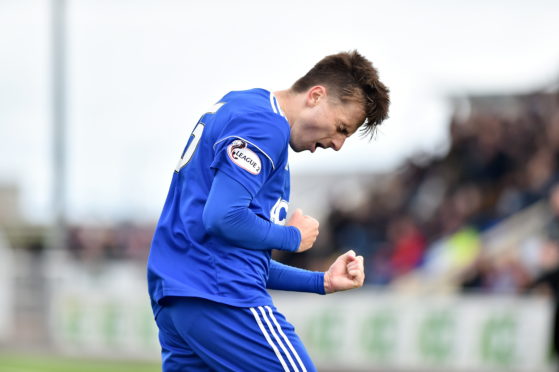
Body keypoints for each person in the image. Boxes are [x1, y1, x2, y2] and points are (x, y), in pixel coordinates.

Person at [147, 50, 390, 371]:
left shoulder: (244, 108)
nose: (338, 144)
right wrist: (292, 236)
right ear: (316, 96)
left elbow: (236, 254)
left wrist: (321, 282)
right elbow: (222, 217)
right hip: (222, 298)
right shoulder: (265, 125)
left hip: (181, 298)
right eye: (342, 128)